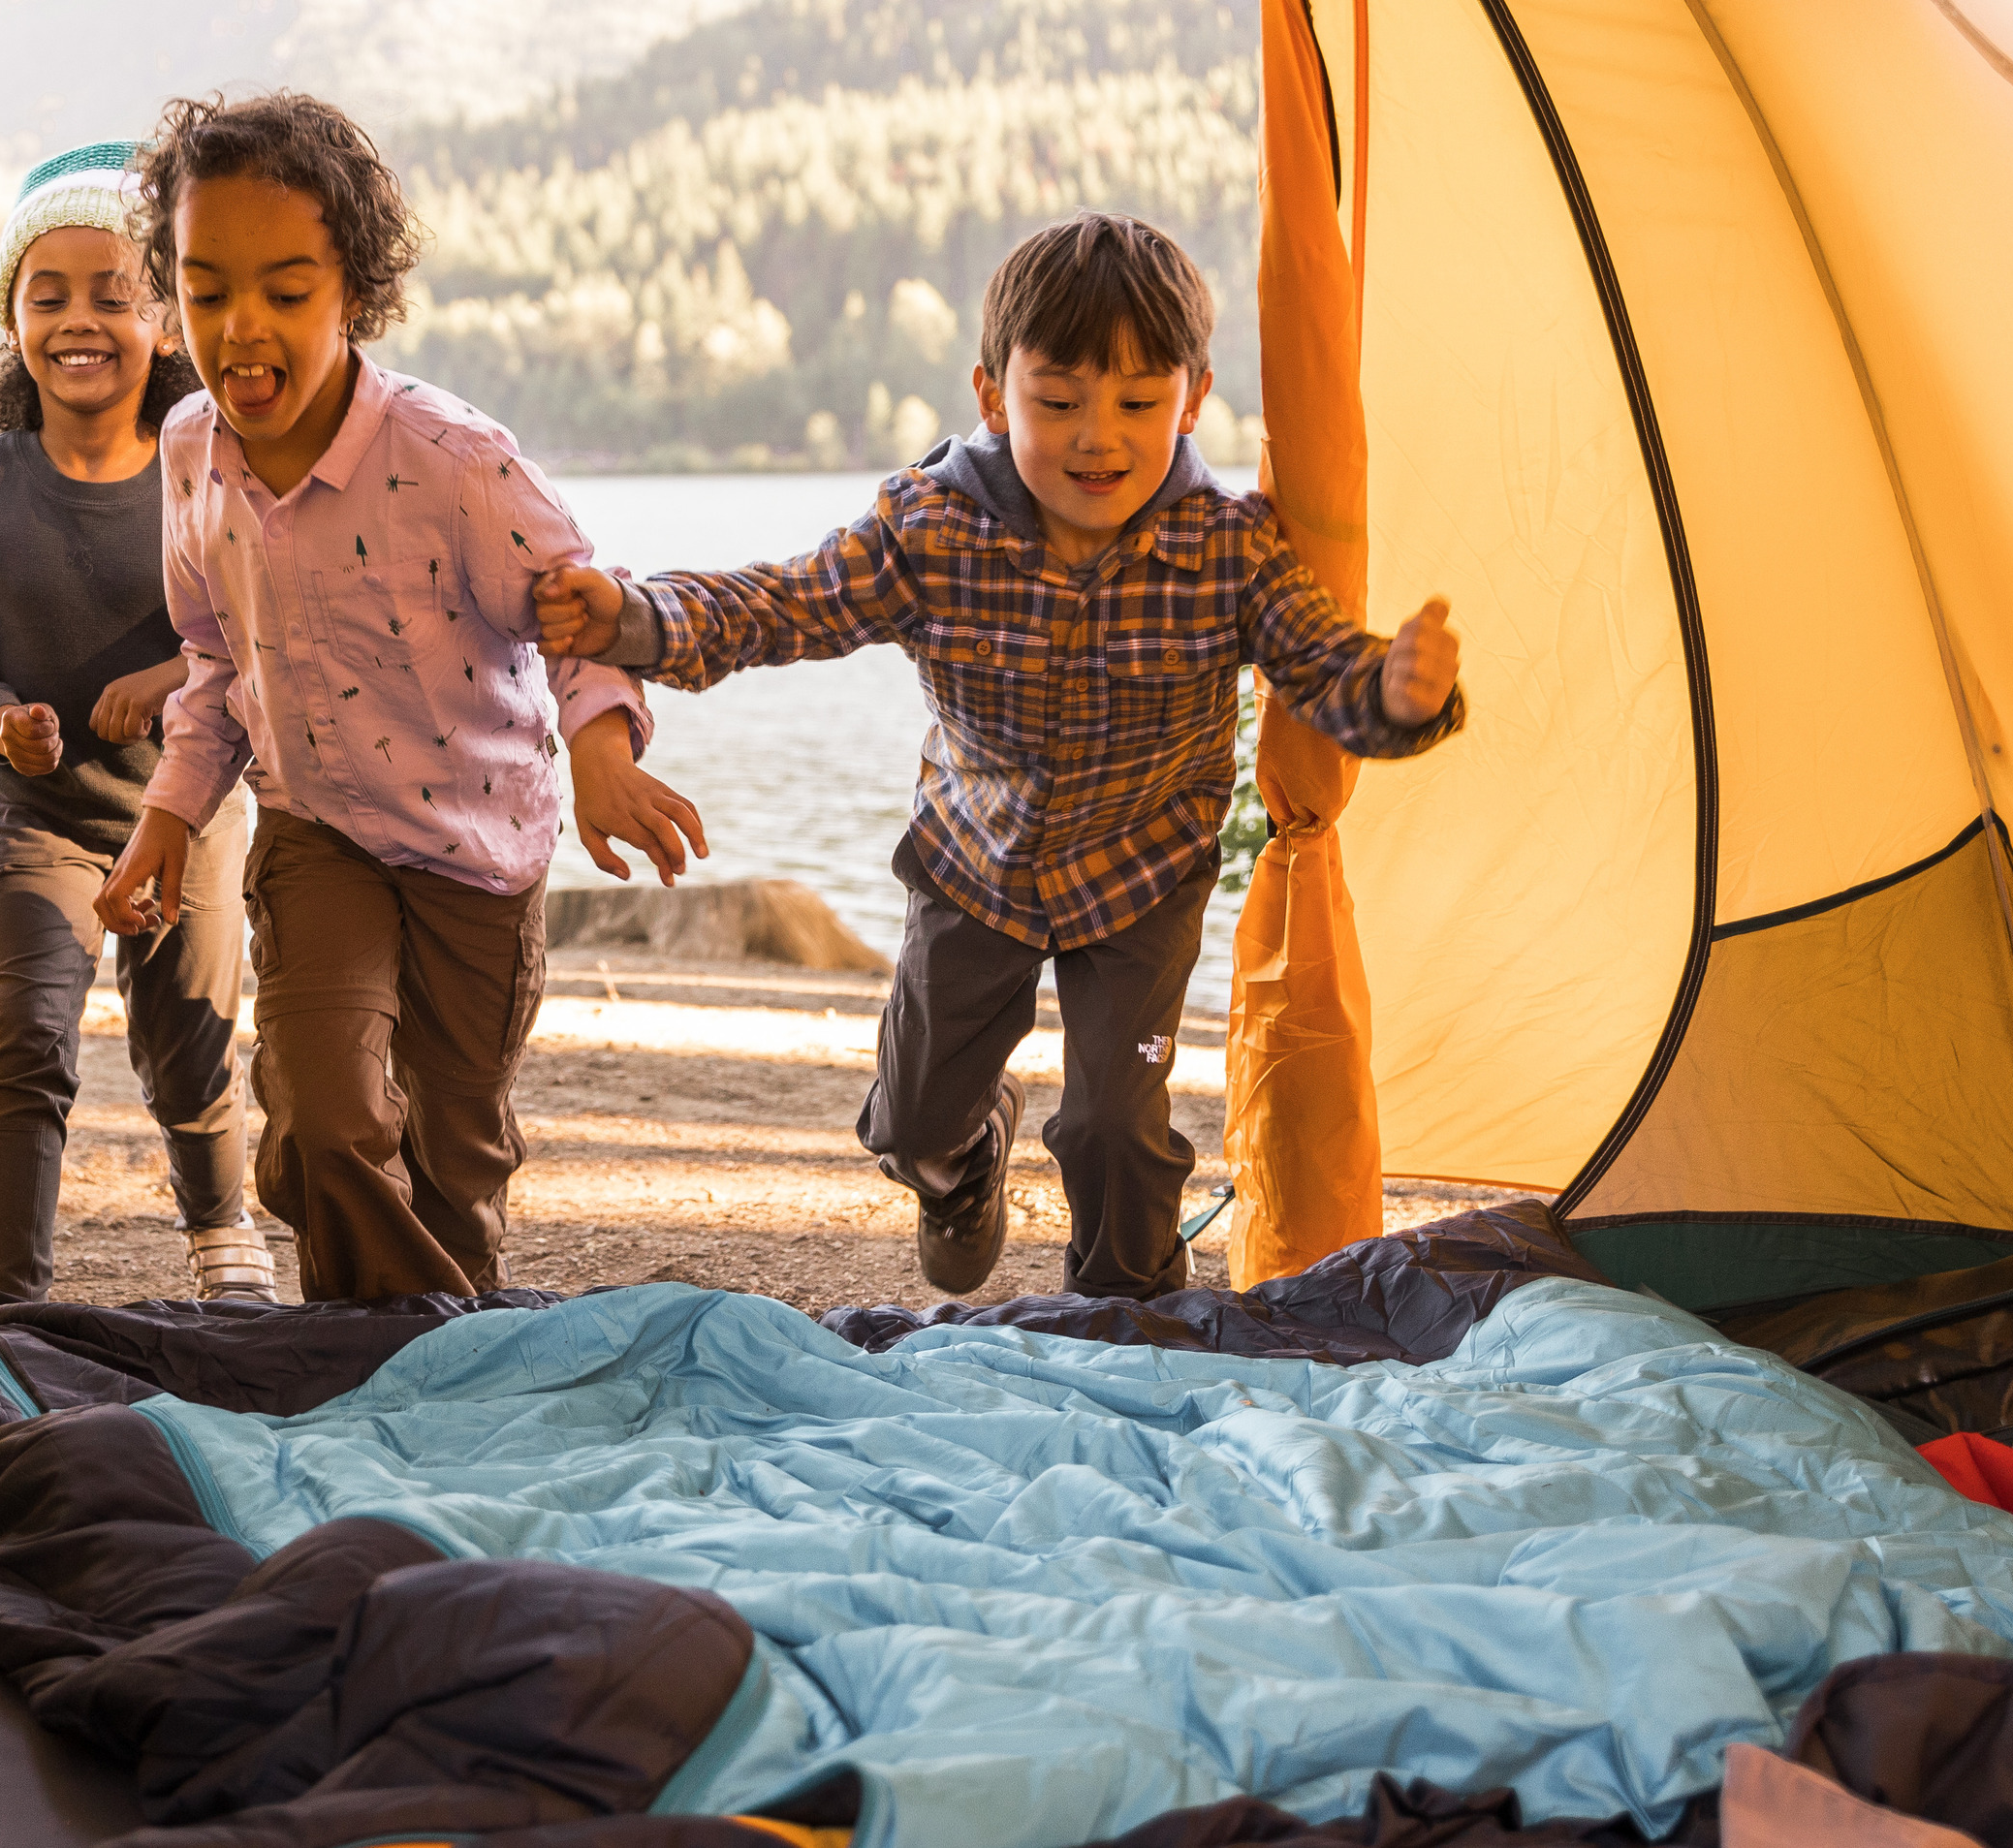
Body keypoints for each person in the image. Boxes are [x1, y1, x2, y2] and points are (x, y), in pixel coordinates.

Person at [534, 213, 1464, 1300]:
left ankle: (1130, 1317)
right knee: (916, 1117)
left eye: (1138, 404)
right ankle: (962, 1162)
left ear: (1194, 400)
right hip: (974, 865)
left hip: (1140, 872)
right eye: (1057, 402)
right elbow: (783, 603)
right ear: (991, 395)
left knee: (1116, 1128)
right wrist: (635, 618)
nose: (1098, 439)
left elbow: (1321, 669)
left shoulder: (1226, 547)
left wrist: (1396, 693)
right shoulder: (932, 528)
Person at [92, 91, 708, 1302]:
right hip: (320, 833)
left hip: (478, 849)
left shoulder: (454, 462)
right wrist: (167, 815)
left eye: (285, 289)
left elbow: (579, 609)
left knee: (454, 1155)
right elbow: (213, 659)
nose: (240, 327)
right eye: (206, 289)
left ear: (355, 293)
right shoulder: (186, 454)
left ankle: (444, 1349)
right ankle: (366, 1352)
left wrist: (598, 746)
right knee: (324, 1118)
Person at [0, 143, 271, 1304]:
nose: (80, 319)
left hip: (190, 812)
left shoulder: (211, 468)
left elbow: (260, 639)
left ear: (164, 322)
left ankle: (224, 1241)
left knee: (193, 1049)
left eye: (115, 295)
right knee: (24, 1036)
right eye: (47, 294)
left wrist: (171, 678)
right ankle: (9, 1294)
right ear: (12, 318)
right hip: (39, 819)